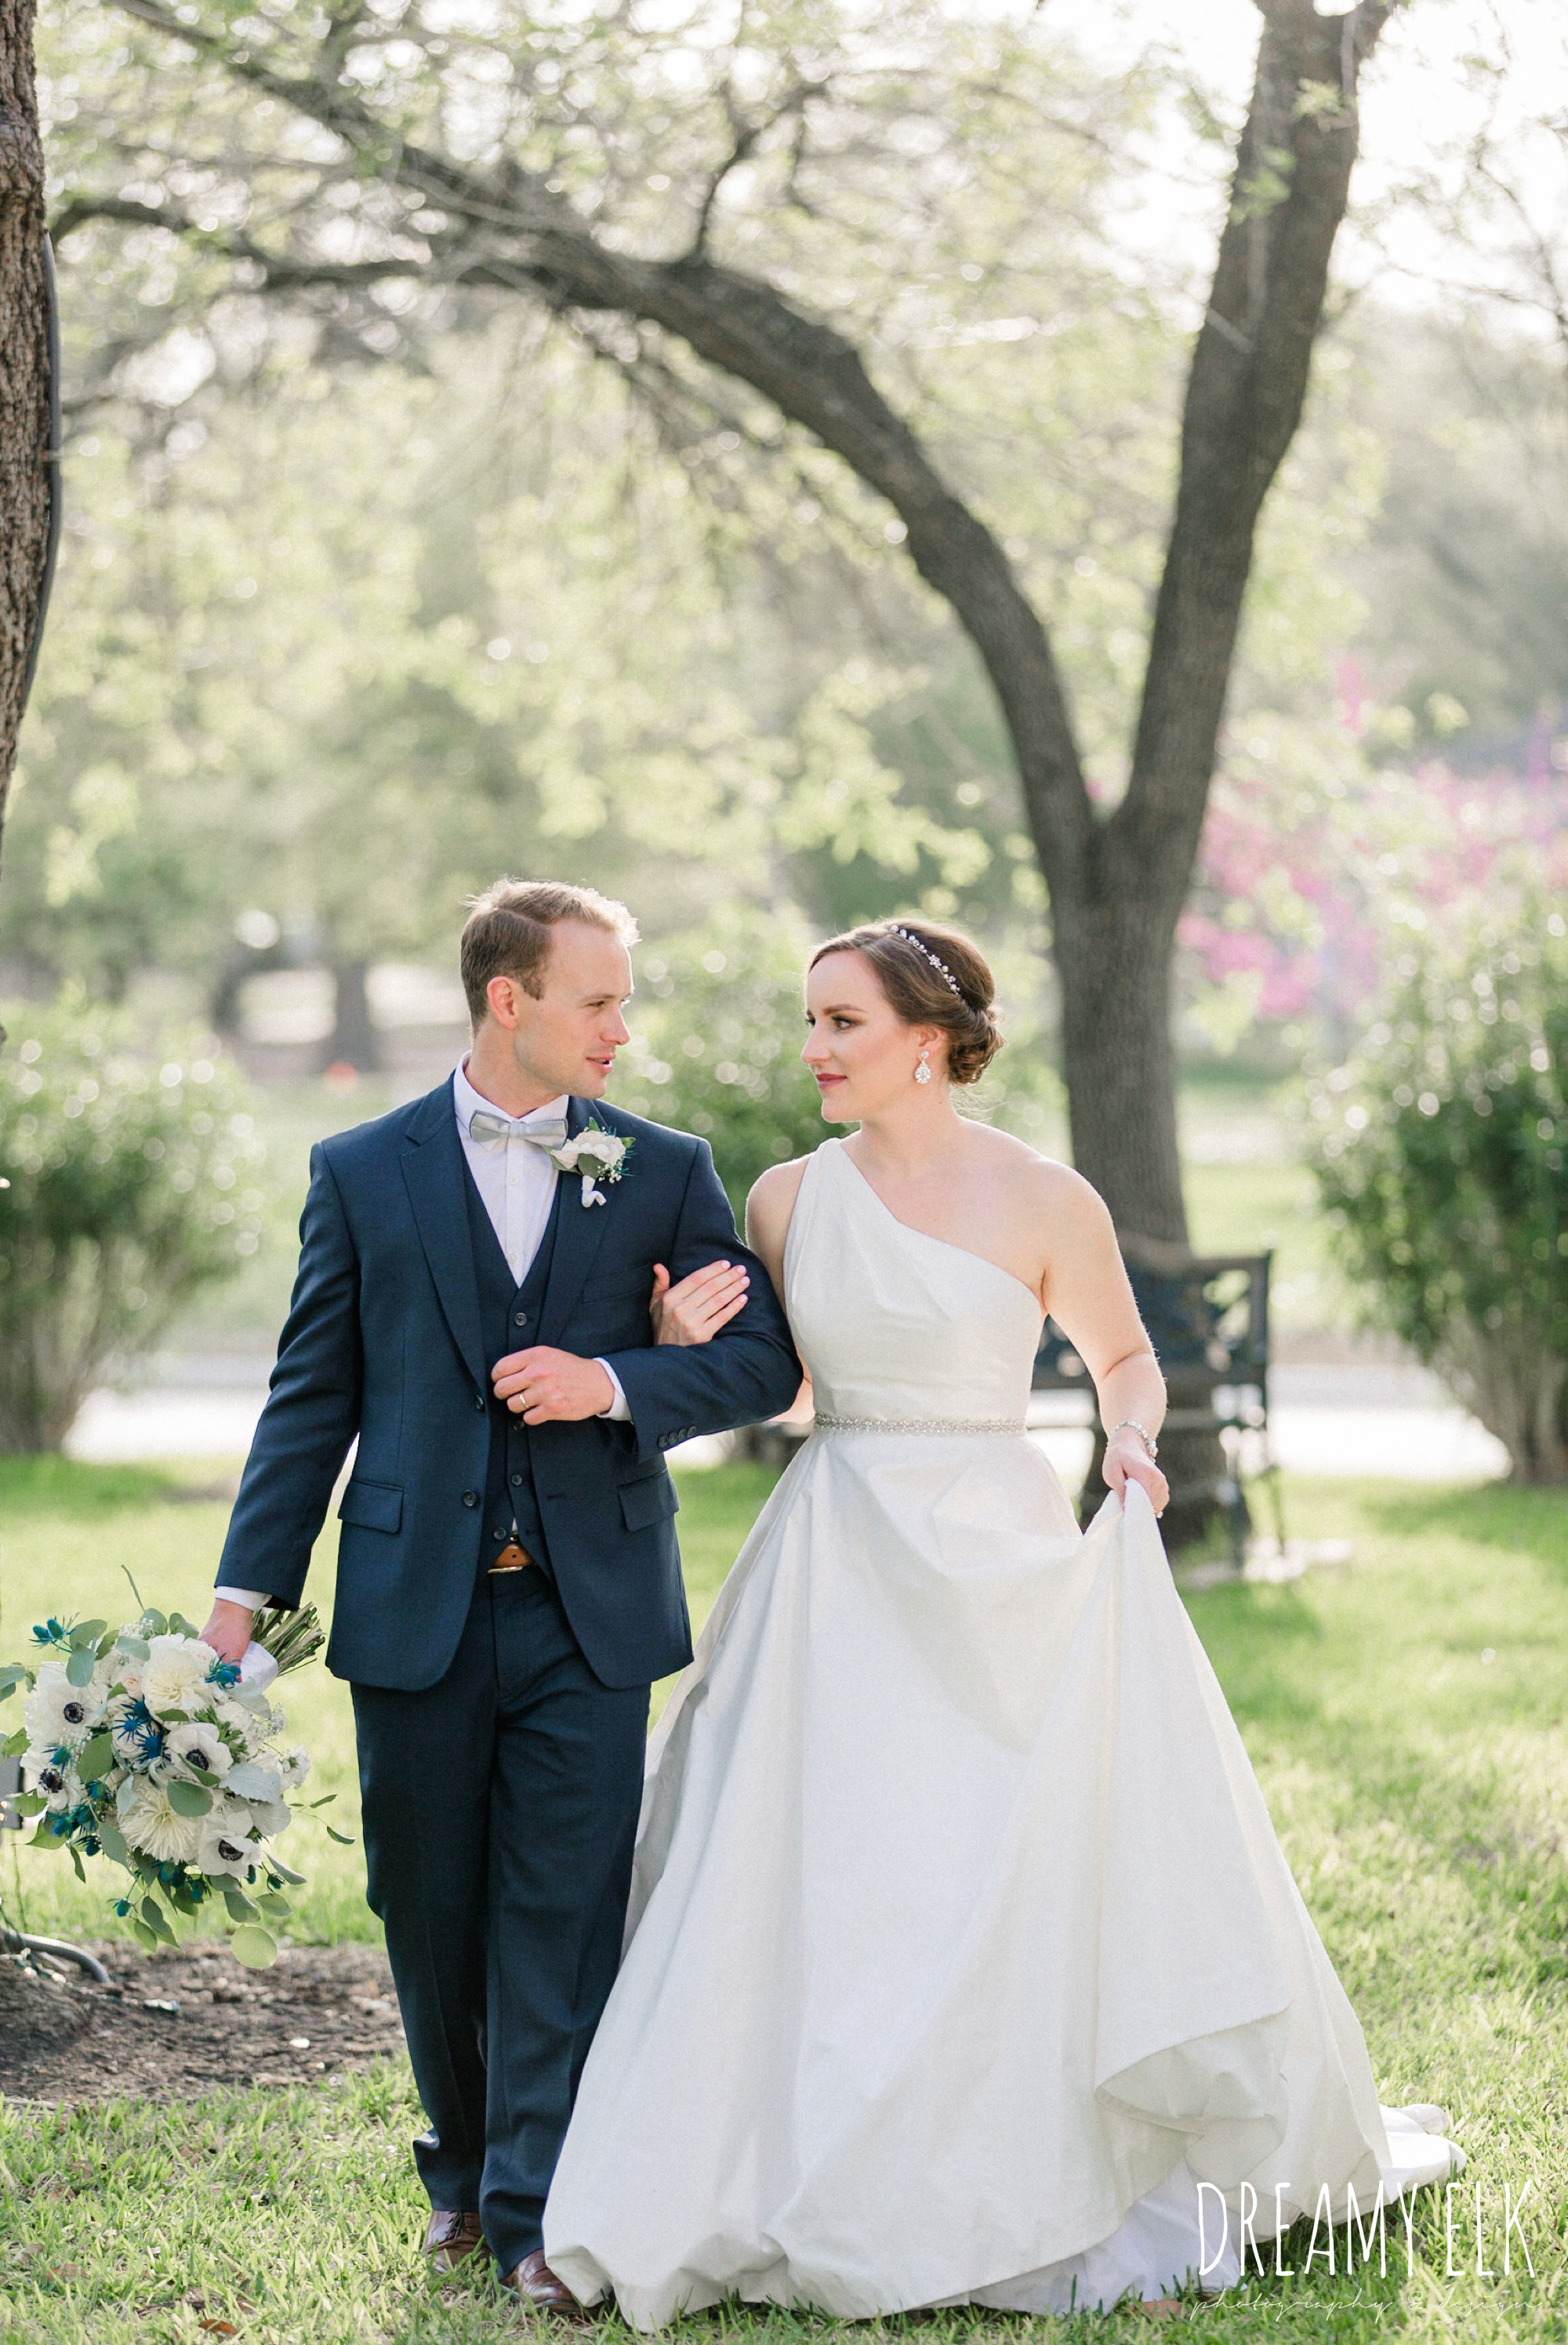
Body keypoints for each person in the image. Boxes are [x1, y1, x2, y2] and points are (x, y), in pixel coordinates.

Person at [543, 916, 1460, 2325]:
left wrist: (1133, 1443)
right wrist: (675, 1355)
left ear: (929, 1040)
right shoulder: (787, 1197)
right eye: (811, 1021)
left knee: (986, 1858)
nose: (813, 1051)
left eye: (843, 1025)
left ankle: (1015, 2169)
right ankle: (771, 2166)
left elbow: (1125, 1356)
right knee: (818, 1861)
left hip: (989, 1551)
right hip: (833, 1558)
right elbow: (784, 1389)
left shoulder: (1045, 1198)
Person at [200, 879, 801, 2309]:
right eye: (599, 1001)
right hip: (415, 1599)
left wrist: (617, 1381)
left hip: (587, 1610)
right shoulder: (361, 1169)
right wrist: (243, 1594)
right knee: (424, 1900)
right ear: (508, 1001)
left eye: (626, 1000)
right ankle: (459, 2171)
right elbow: (310, 1399)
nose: (623, 1029)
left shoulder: (664, 1168)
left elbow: (763, 1362)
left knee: (564, 1904)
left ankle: (536, 2207)